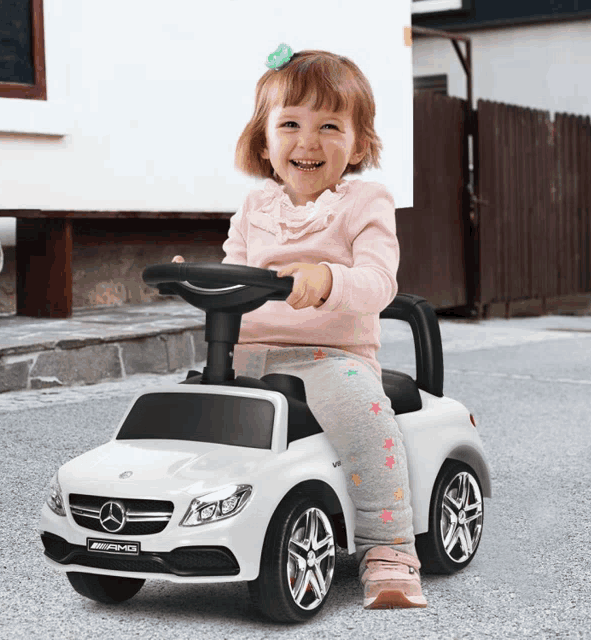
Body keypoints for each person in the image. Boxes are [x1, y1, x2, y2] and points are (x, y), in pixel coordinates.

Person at [172, 44, 427, 610]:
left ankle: (389, 547)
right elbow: (234, 272)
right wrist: (198, 280)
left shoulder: (366, 202)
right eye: (290, 123)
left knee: (363, 419)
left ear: (358, 142)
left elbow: (379, 281)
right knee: (181, 416)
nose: (307, 141)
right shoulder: (252, 208)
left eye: (329, 125)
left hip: (327, 358)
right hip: (244, 357)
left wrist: (327, 279)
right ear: (264, 140)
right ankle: (186, 522)